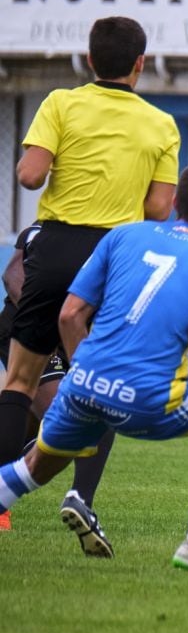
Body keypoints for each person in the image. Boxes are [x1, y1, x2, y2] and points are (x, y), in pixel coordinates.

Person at [0, 160, 188, 573]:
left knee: (33, 470)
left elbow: (69, 316)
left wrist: (84, 373)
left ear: (174, 201)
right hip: (150, 399)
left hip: (82, 383)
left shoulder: (124, 236)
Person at [0, 16, 179, 546]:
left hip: (55, 248)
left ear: (90, 58)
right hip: (115, 258)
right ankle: (82, 499)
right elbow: (160, 208)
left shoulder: (60, 103)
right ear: (140, 64)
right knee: (99, 384)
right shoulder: (161, 124)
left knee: (19, 381)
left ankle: (1, 508)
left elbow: (31, 175)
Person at [0, 224, 115, 552]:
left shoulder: (110, 233)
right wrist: (48, 318)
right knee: (69, 411)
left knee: (38, 421)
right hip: (25, 329)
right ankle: (75, 499)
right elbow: (11, 276)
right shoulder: (43, 228)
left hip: (71, 332)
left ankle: (81, 502)